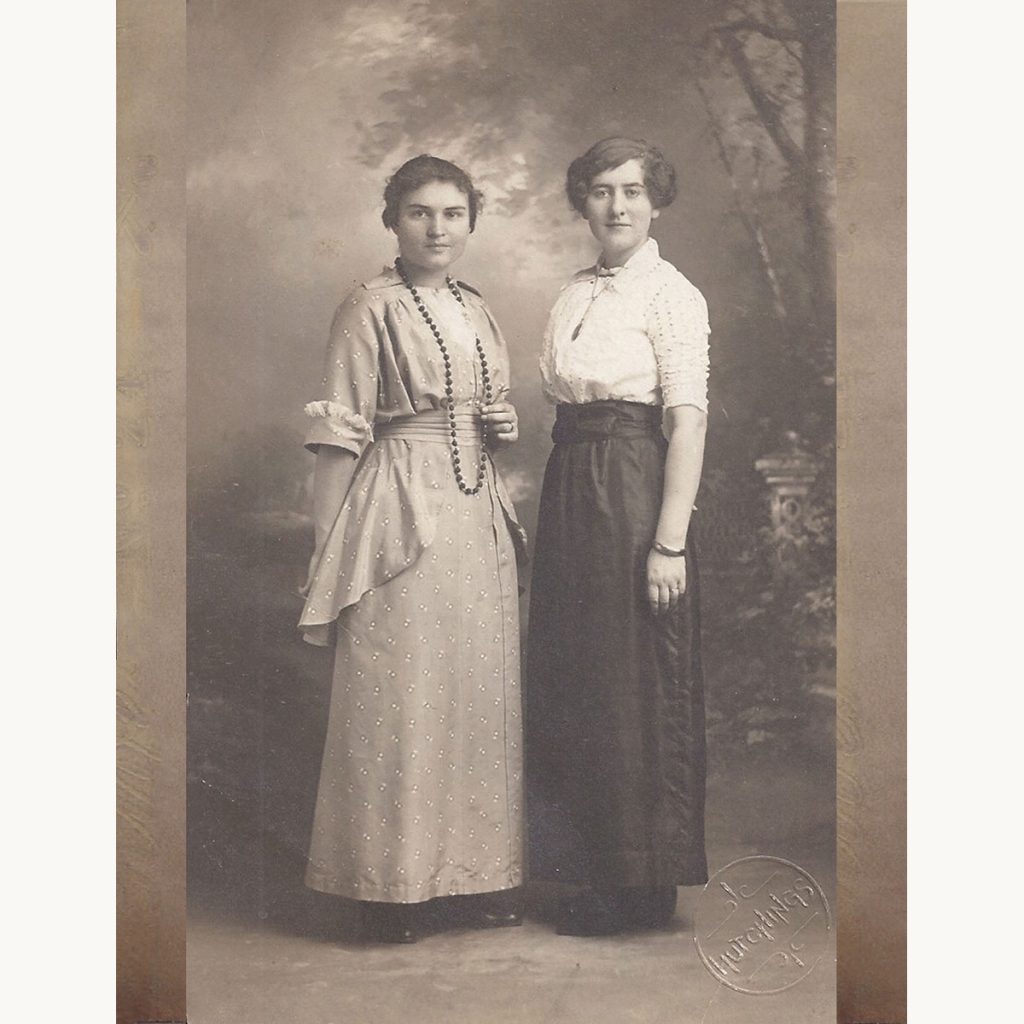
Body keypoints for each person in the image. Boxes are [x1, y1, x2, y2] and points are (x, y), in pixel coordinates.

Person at [299, 155, 527, 943]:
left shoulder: (476, 306)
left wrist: (502, 426)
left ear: (471, 221)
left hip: (475, 511)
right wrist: (325, 553)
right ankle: (385, 889)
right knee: (400, 691)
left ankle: (470, 880)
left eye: (453, 214)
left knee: (473, 690)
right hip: (401, 505)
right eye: (421, 212)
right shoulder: (368, 308)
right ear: (392, 219)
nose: (438, 228)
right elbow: (339, 434)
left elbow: (490, 408)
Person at [526, 137, 711, 936]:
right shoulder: (574, 292)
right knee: (577, 669)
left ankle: (642, 881)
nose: (617, 206)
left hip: (634, 481)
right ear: (584, 203)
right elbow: (562, 400)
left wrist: (668, 539)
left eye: (632, 190)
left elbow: (687, 418)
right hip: (573, 477)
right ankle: (596, 868)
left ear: (656, 199)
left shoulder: (671, 294)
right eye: (601, 191)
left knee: (633, 671)